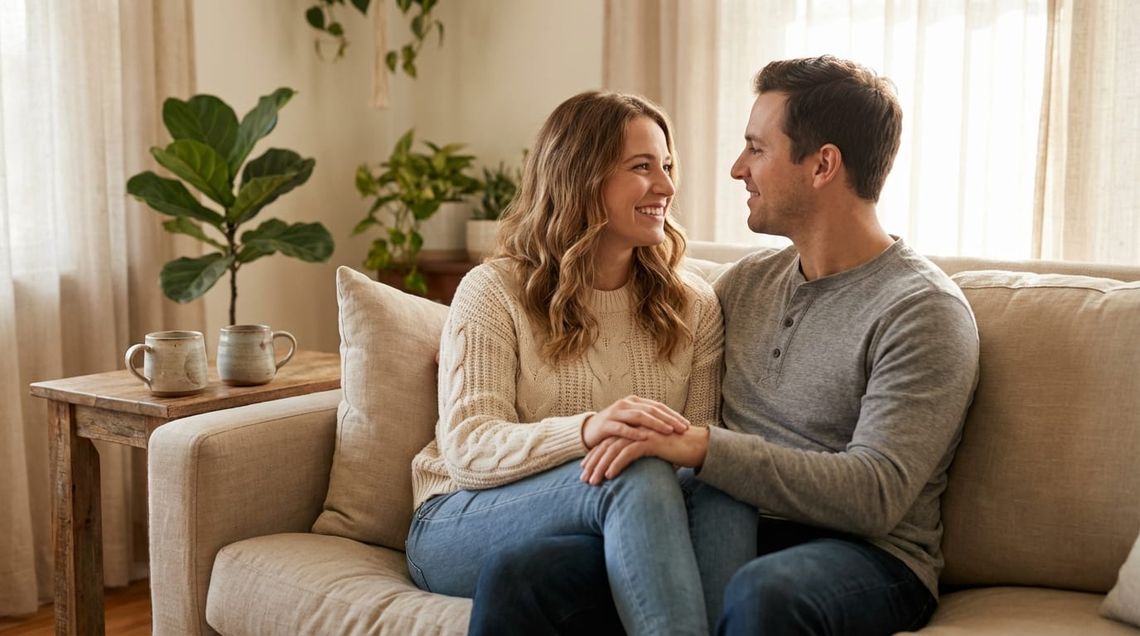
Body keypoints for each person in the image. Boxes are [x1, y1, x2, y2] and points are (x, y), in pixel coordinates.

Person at [481, 55, 982, 635]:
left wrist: (701, 448)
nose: (737, 168)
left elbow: (876, 494)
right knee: (524, 573)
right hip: (724, 524)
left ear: (823, 165)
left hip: (865, 555)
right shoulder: (744, 286)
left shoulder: (921, 310)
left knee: (763, 594)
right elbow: (628, 312)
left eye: (757, 148)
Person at [404, 90, 724, 636]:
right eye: (642, 167)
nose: (667, 187)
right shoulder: (493, 290)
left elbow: (701, 452)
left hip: (606, 524)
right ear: (582, 176)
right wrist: (589, 430)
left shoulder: (693, 305)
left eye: (667, 166)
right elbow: (468, 449)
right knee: (635, 468)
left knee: (722, 487)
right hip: (463, 516)